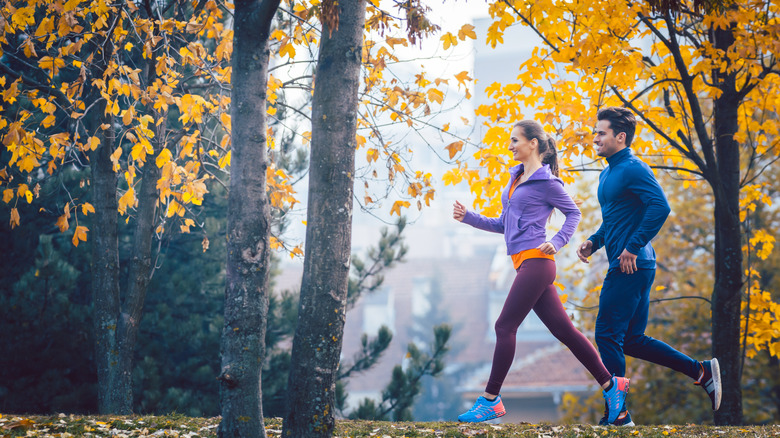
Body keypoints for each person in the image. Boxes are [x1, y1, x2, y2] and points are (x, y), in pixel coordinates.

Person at [453, 120, 630, 425]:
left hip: (538, 262)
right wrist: (469, 217)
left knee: (504, 327)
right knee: (565, 332)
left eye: (514, 140)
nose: (510, 146)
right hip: (524, 263)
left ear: (533, 143)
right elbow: (502, 225)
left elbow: (574, 213)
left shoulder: (548, 183)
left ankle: (490, 400)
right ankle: (612, 387)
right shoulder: (515, 179)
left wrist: (557, 241)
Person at [576, 106, 722, 425]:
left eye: (601, 133)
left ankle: (618, 414)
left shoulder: (633, 167)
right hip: (632, 262)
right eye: (595, 132)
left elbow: (661, 206)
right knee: (631, 340)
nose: (595, 138)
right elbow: (614, 219)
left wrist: (632, 246)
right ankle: (700, 371)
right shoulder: (607, 173)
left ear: (620, 137)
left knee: (607, 334)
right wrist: (594, 241)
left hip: (631, 264)